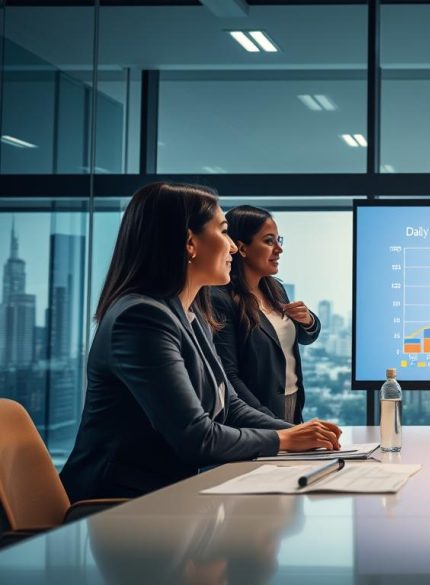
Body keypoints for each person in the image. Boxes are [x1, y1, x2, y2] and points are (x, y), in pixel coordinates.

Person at [60, 183, 341, 502]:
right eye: (223, 232)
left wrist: (293, 433)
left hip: (170, 495)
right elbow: (196, 437)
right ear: (190, 243)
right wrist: (285, 439)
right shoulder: (140, 318)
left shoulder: (190, 311)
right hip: (118, 506)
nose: (232, 248)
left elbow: (230, 406)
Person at [211, 206, 318, 424]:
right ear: (241, 248)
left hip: (291, 404)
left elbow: (305, 337)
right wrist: (269, 421)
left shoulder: (275, 289)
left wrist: (308, 320)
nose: (279, 249)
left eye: (279, 240)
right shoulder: (220, 299)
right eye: (269, 241)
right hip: (255, 416)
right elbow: (229, 376)